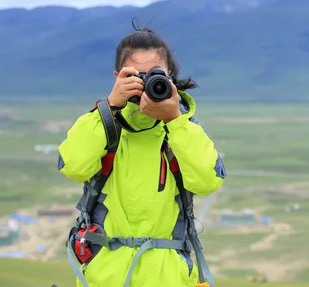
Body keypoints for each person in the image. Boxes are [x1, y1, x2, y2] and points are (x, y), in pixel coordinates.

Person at [57, 21, 226, 287]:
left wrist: (175, 121)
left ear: (169, 76)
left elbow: (207, 182)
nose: (147, 83)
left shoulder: (183, 131)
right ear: (117, 77)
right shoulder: (102, 127)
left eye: (155, 75)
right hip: (105, 275)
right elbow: (73, 166)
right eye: (137, 75)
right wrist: (110, 107)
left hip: (168, 276)